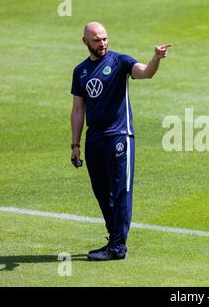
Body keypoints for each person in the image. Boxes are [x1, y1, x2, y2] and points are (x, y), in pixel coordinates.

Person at [70, 21, 171, 261]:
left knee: (120, 190)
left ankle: (117, 247)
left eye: (105, 38)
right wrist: (75, 145)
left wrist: (156, 58)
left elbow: (145, 72)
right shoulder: (80, 71)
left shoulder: (119, 62)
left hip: (119, 136)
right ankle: (113, 238)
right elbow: (77, 110)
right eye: (96, 40)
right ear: (85, 42)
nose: (102, 43)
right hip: (94, 139)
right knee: (102, 192)